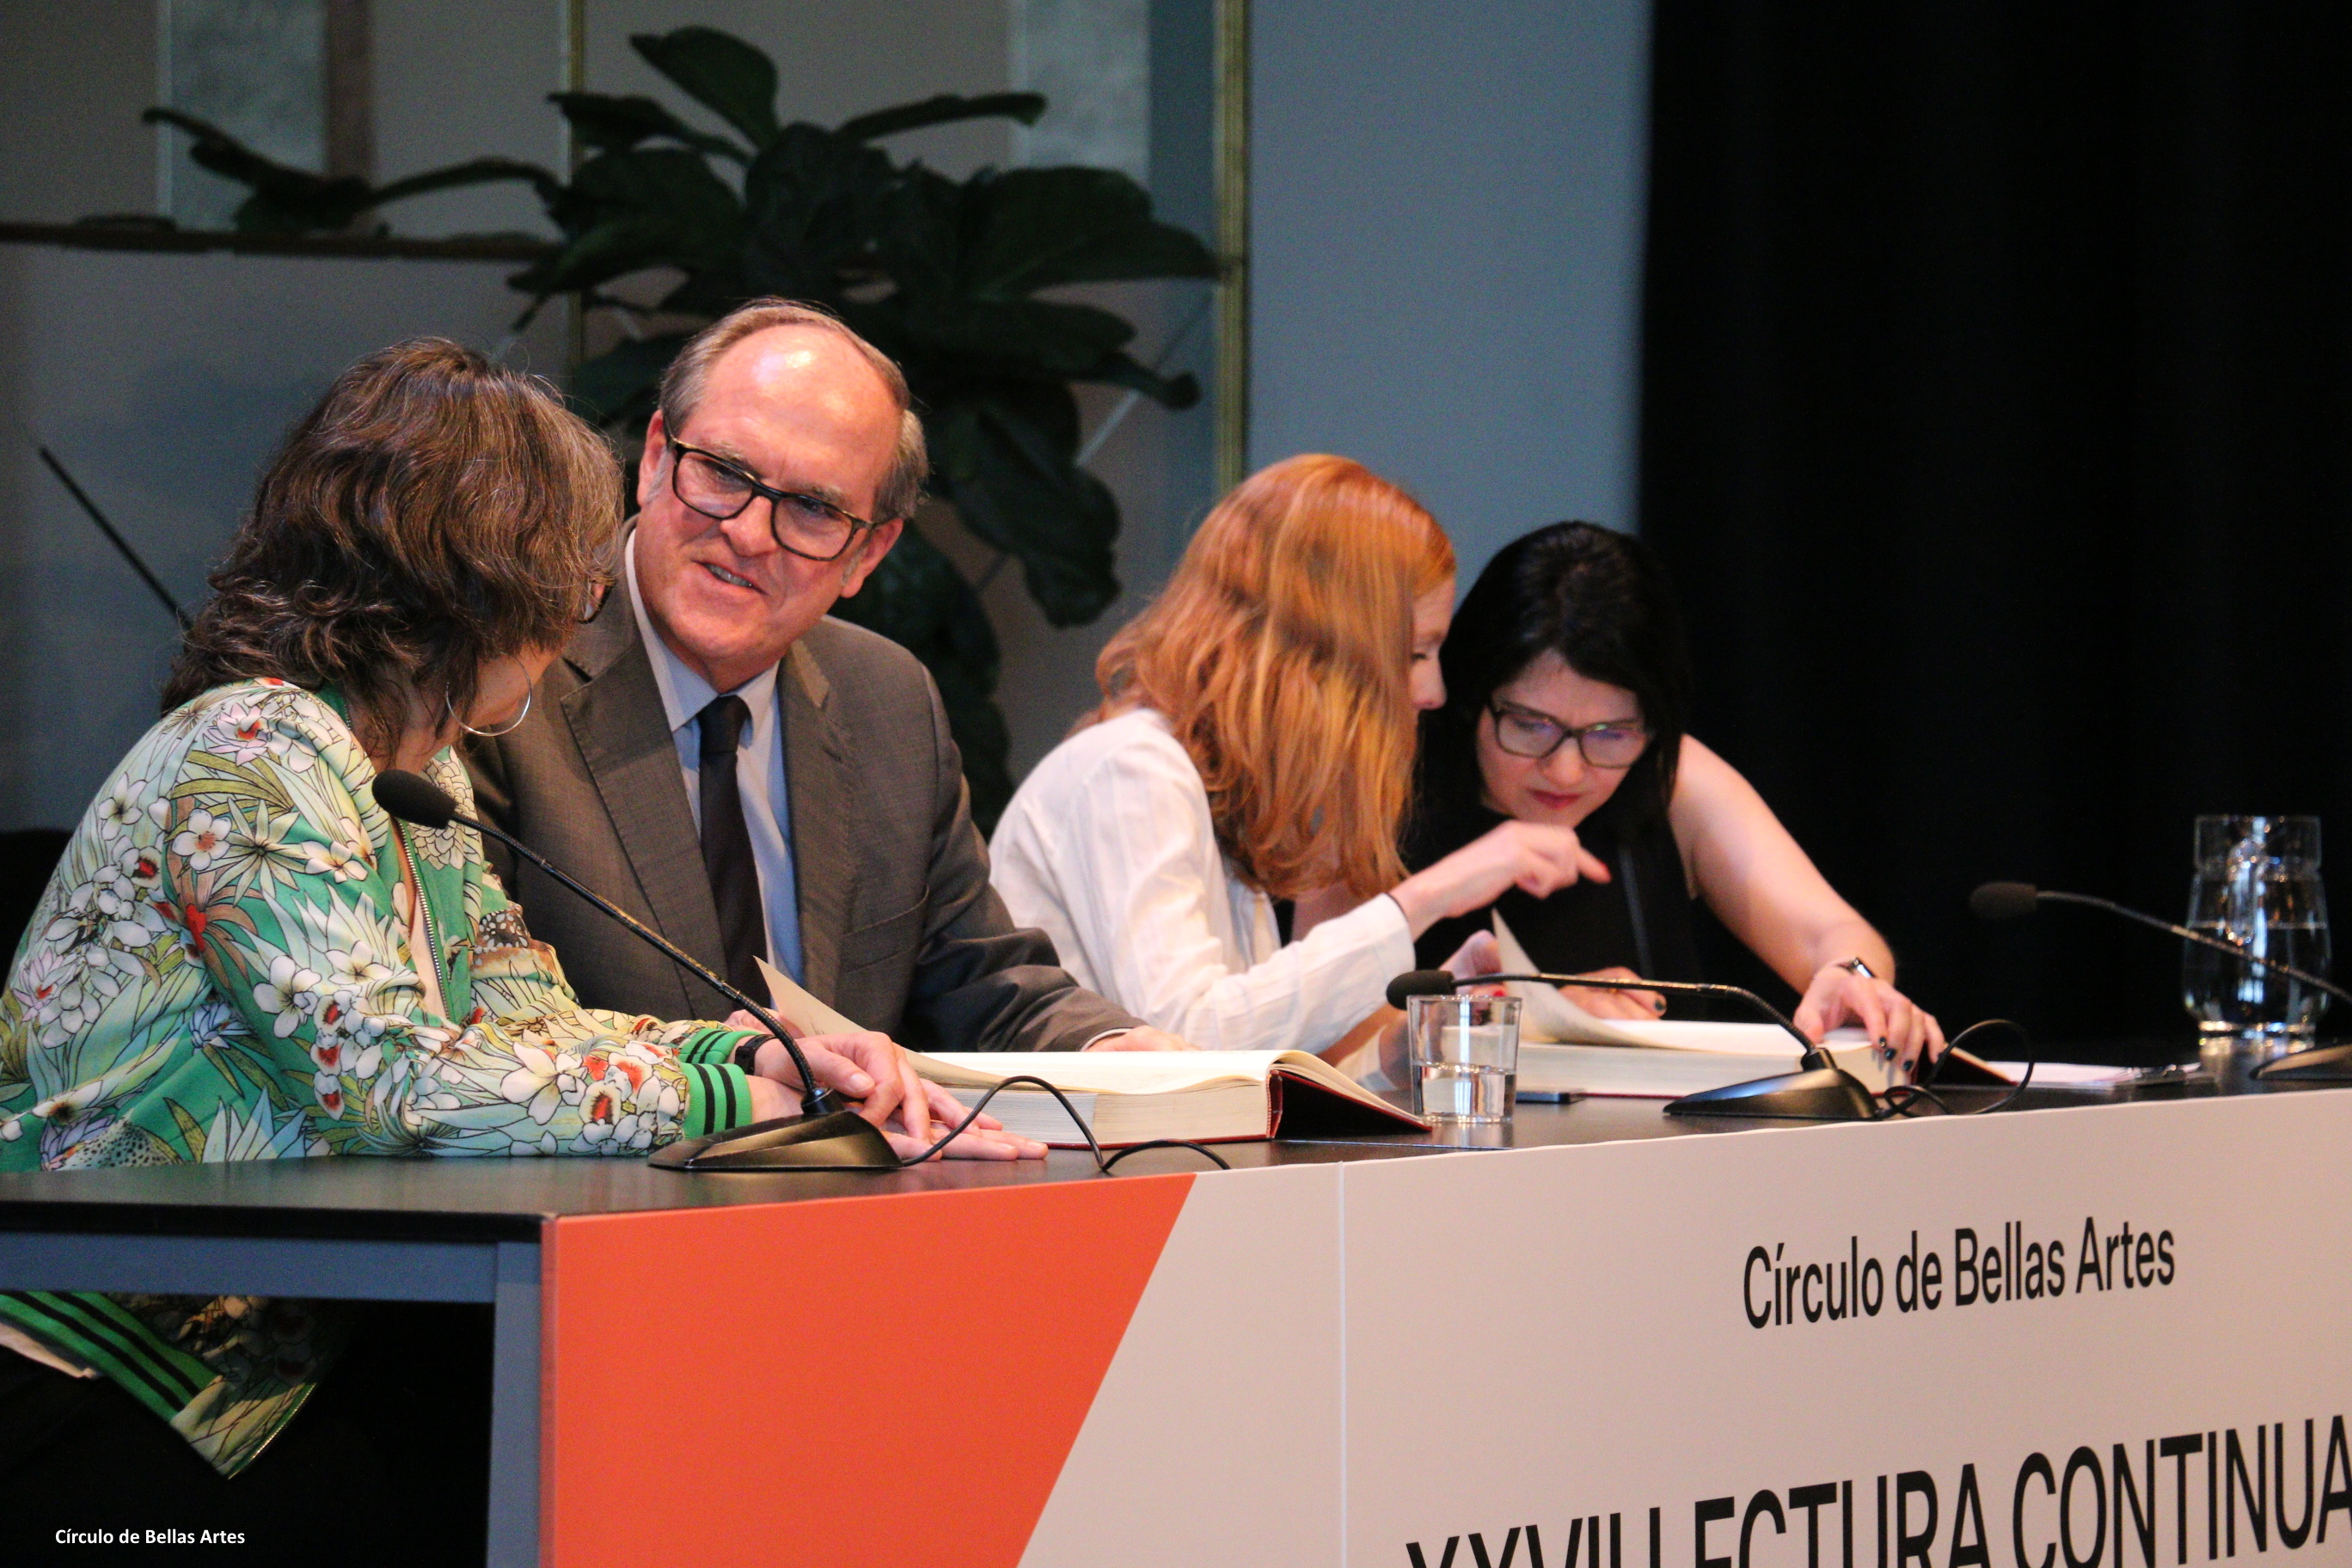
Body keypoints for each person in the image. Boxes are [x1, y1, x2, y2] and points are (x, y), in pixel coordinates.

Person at [0, 340, 1032, 1553]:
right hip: (85, 1375)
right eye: (569, 576)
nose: (584, 606)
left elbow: (523, 1019)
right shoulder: (260, 747)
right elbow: (390, 1081)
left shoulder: (410, 766)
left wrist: (751, 1049)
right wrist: (713, 1089)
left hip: (242, 1383)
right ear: (479, 584)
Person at [465, 299, 1183, 1055]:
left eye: (811, 508)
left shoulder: (887, 699)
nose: (745, 533)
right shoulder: (503, 667)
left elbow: (981, 984)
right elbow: (491, 1024)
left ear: (867, 556)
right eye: (723, 472)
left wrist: (1120, 1051)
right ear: (654, 460)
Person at [989, 455, 1604, 1056]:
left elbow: (1257, 1060)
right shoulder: (1130, 768)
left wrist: (1415, 1037)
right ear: (1318, 651)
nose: (1432, 691)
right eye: (1415, 653)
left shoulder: (1220, 785)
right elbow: (1184, 1044)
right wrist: (1429, 897)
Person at [1408, 521, 1944, 1073]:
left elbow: (1827, 932)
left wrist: (1851, 977)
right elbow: (1326, 1038)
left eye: (1611, 733)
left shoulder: (1676, 779)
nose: (1567, 771)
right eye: (1530, 726)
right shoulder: (1388, 787)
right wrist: (1545, 1018)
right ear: (1470, 695)